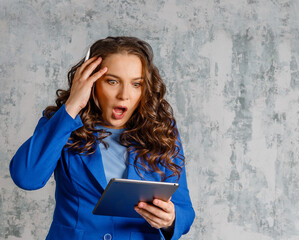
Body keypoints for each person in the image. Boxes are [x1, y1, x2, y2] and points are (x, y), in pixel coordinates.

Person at [9, 36, 195, 240]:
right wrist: (72, 106)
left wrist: (170, 220)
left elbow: (184, 209)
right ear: (90, 81)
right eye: (112, 81)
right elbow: (26, 178)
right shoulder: (60, 123)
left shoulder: (162, 131)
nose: (124, 95)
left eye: (136, 84)